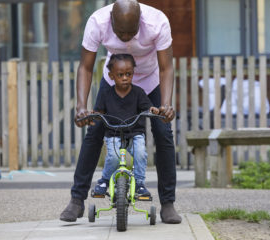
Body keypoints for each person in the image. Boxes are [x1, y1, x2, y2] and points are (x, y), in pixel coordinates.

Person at [60, 0, 181, 224]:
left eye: (131, 32)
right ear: (111, 20)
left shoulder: (157, 22)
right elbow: (85, 67)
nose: (125, 37)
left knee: (163, 133)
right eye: (120, 32)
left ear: (140, 21)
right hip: (115, 81)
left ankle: (168, 204)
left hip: (151, 81)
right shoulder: (97, 21)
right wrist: (80, 106)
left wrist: (165, 104)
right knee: (94, 131)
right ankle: (76, 201)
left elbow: (167, 67)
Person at [93, 53, 158, 197]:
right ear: (111, 76)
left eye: (128, 74)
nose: (124, 78)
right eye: (120, 74)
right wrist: (94, 116)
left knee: (141, 153)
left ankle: (140, 184)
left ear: (133, 74)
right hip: (114, 133)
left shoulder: (138, 93)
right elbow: (99, 111)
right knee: (114, 157)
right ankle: (103, 181)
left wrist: (152, 109)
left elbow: (147, 107)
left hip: (135, 133)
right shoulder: (106, 94)